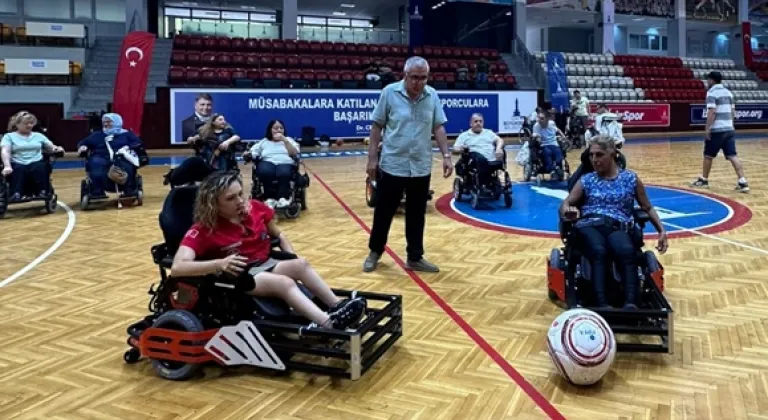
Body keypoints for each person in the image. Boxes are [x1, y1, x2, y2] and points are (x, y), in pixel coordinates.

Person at [171, 170, 366, 330]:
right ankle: (329, 324)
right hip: (241, 276)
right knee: (285, 283)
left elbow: (279, 235)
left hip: (265, 263)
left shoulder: (255, 208)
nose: (239, 201)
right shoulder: (203, 229)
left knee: (301, 264)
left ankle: (337, 306)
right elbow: (178, 267)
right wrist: (219, 264)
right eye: (231, 198)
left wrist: (290, 256)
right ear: (214, 204)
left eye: (240, 194)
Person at [363, 56, 452, 273]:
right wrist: (372, 158)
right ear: (405, 75)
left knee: (416, 214)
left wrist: (447, 155)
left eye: (423, 78)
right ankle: (375, 251)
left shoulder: (432, 96)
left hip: (420, 166)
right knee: (384, 211)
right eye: (414, 78)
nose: (419, 83)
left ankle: (415, 257)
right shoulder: (389, 93)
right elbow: (377, 127)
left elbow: (438, 127)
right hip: (393, 163)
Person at [559, 135, 668, 309]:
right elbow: (566, 203)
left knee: (626, 251)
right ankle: (601, 303)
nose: (594, 159)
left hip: (619, 226)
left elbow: (647, 208)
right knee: (599, 251)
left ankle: (631, 303)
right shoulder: (587, 180)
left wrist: (662, 231)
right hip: (590, 225)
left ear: (613, 154)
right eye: (592, 155)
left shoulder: (630, 179)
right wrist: (568, 210)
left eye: (599, 155)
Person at [690, 71, 749, 193]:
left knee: (708, 155)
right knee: (732, 155)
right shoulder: (728, 93)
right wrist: (730, 125)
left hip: (717, 129)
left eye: (708, 80)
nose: (707, 82)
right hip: (729, 128)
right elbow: (733, 111)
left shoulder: (711, 93)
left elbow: (712, 111)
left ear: (712, 80)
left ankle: (704, 180)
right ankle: (743, 182)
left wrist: (707, 129)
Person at [77, 113, 144, 199]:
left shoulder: (127, 134)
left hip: (121, 156)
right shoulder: (97, 135)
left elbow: (138, 143)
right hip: (100, 157)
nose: (105, 124)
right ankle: (97, 191)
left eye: (109, 122)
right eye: (104, 122)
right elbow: (84, 143)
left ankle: (129, 190)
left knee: (127, 166)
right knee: (95, 164)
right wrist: (83, 147)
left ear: (117, 122)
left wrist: (127, 147)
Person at [1, 111, 65, 200]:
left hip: (36, 160)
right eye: (26, 123)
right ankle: (16, 193)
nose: (29, 126)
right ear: (17, 124)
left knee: (41, 167)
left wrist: (56, 148)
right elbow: (5, 151)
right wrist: (7, 166)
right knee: (19, 169)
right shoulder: (9, 136)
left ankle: (42, 191)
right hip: (17, 162)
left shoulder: (39, 136)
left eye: (31, 123)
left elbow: (50, 147)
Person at [249, 120, 300, 208]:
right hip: (267, 161)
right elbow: (254, 152)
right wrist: (248, 154)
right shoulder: (264, 141)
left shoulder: (289, 140)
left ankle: (283, 198)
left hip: (285, 162)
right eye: (276, 128)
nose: (279, 130)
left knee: (283, 173)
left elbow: (294, 153)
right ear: (270, 130)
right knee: (266, 172)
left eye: (281, 128)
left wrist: (285, 140)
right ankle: (269, 198)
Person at [452, 113, 504, 188]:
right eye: (476, 121)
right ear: (471, 123)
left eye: (480, 121)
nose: (478, 123)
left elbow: (500, 140)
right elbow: (454, 149)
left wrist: (499, 148)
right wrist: (461, 149)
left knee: (502, 152)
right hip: (475, 161)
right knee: (479, 158)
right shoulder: (464, 135)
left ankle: (491, 181)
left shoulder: (488, 133)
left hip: (492, 160)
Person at [531, 111, 567, 180]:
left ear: (547, 119)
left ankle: (557, 168)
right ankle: (552, 171)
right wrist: (537, 137)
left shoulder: (552, 123)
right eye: (538, 118)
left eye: (542, 118)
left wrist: (563, 136)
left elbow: (558, 130)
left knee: (558, 154)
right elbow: (536, 137)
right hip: (544, 145)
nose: (539, 120)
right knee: (547, 153)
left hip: (554, 144)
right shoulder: (536, 126)